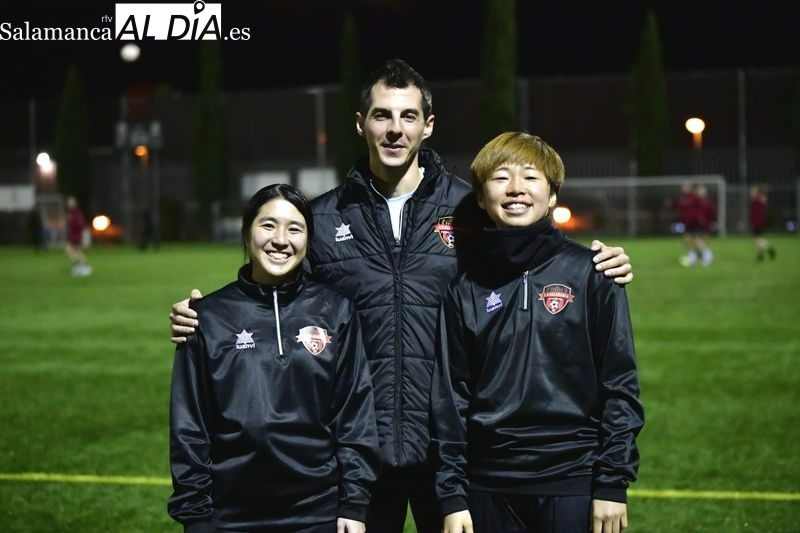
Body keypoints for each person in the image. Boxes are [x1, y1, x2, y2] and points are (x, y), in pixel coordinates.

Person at [169, 59, 634, 533]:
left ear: (428, 125)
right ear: (361, 124)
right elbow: (279, 297)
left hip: (451, 454)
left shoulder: (466, 210)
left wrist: (596, 262)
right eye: (382, 115)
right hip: (357, 456)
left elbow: (529, 247)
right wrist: (208, 318)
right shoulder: (325, 218)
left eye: (409, 116)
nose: (395, 130)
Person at [430, 132, 644, 533]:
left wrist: (612, 482)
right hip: (488, 483)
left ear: (553, 195)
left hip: (572, 479)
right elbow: (450, 399)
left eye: (530, 177)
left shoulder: (594, 273)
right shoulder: (464, 289)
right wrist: (453, 495)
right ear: (480, 198)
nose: (515, 189)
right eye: (500, 178)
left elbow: (620, 385)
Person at [168, 183, 380, 533]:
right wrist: (196, 516)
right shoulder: (207, 318)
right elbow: (189, 425)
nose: (281, 239)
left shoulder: (336, 311)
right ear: (246, 232)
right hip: (230, 515)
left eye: (294, 229)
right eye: (268, 225)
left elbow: (355, 413)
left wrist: (354, 504)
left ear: (308, 241)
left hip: (318, 512)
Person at [64, 195, 92, 276]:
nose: (69, 204)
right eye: (69, 202)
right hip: (73, 235)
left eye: (71, 202)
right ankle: (81, 266)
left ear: (75, 204)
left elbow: (80, 224)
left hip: (76, 235)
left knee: (70, 250)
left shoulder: (77, 213)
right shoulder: (71, 213)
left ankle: (82, 266)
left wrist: (72, 223)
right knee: (76, 251)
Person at [749, 184, 776, 262]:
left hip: (757, 222)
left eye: (753, 191)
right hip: (758, 222)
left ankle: (769, 250)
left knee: (757, 240)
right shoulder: (759, 199)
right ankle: (761, 256)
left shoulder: (757, 200)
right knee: (757, 240)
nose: (751, 192)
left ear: (756, 192)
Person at [694, 184, 715, 266]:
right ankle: (705, 258)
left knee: (699, 241)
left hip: (703, 224)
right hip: (701, 224)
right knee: (702, 242)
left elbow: (712, 214)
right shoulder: (697, 202)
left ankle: (709, 256)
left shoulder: (705, 203)